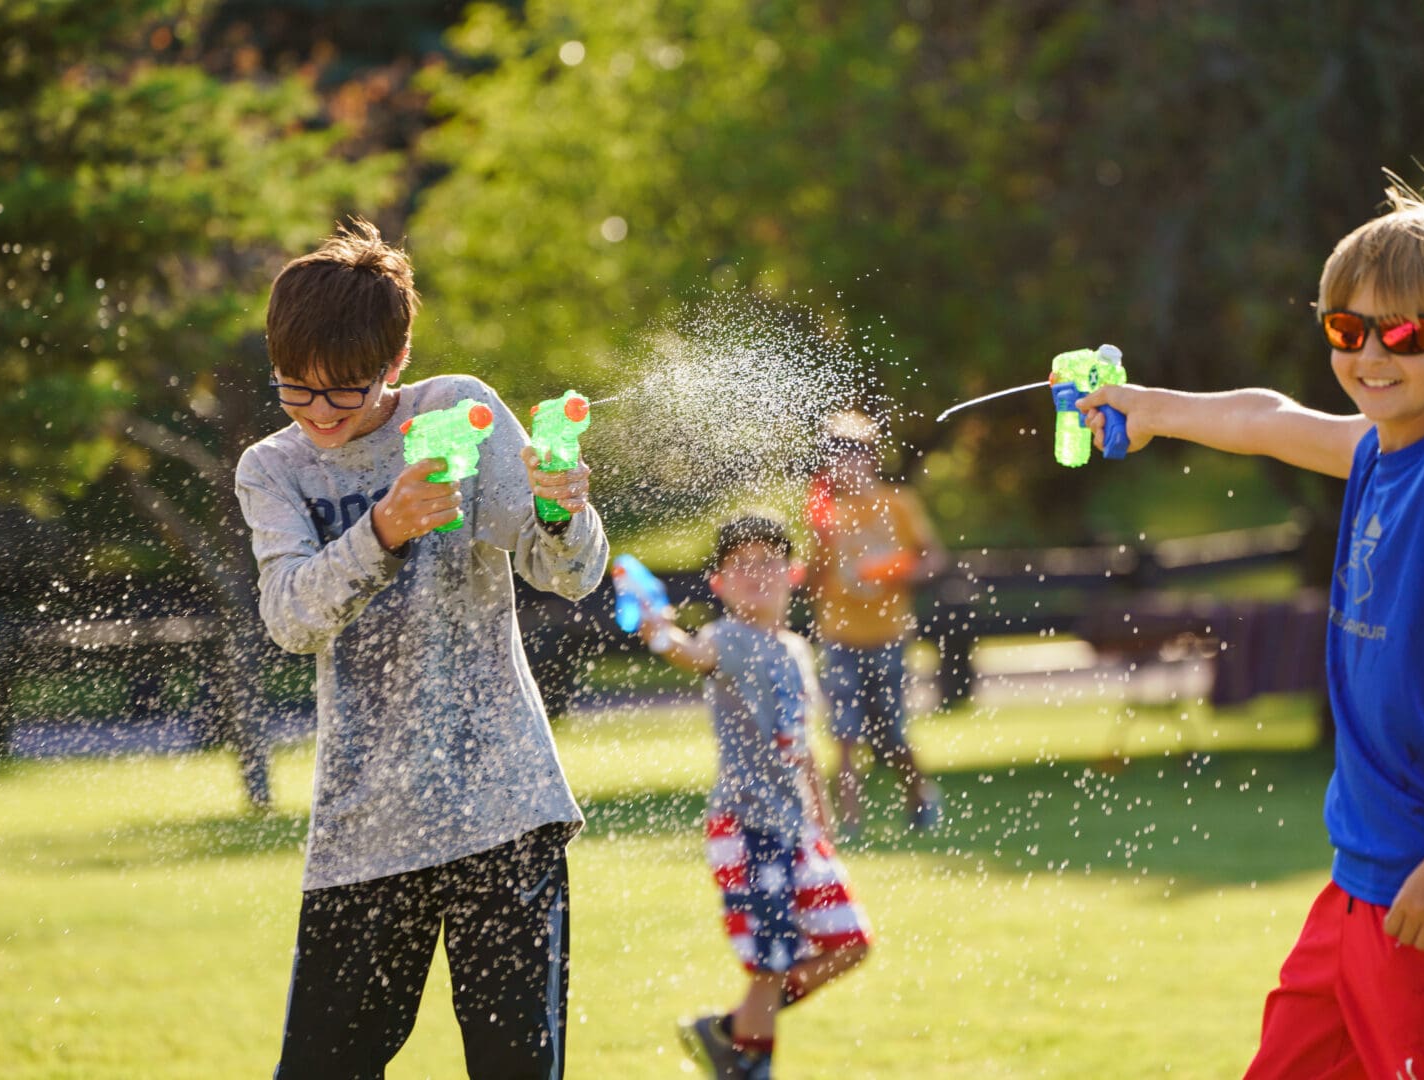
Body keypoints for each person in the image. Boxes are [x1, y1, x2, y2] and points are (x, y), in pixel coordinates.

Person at [1080, 172, 1424, 1078]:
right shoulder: (1380, 446)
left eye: (1405, 332)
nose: (1371, 353)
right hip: (1358, 886)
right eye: (1348, 329)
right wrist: (1150, 409)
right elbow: (1267, 418)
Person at [233, 219, 607, 1078]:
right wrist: (383, 529)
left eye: (346, 393)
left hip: (503, 809)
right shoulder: (272, 468)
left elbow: (566, 571)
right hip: (365, 827)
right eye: (296, 389)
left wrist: (561, 507)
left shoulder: (456, 412)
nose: (320, 414)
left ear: (394, 363)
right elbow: (290, 618)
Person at [635, 515, 872, 1080]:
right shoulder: (727, 638)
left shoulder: (795, 649)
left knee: (852, 943)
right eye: (740, 566)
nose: (755, 575)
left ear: (792, 574)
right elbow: (688, 652)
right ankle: (747, 1062)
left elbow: (804, 746)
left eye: (767, 562)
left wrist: (823, 816)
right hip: (746, 828)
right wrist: (658, 632)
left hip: (797, 830)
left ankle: (728, 1029)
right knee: (771, 963)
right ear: (718, 583)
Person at [805, 410, 946, 837]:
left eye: (854, 451)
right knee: (844, 734)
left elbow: (933, 558)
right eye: (836, 452)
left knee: (891, 735)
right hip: (838, 634)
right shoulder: (825, 513)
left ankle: (919, 797)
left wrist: (897, 573)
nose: (845, 460)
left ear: (871, 456)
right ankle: (849, 824)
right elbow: (813, 582)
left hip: (888, 635)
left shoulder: (898, 503)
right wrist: (821, 545)